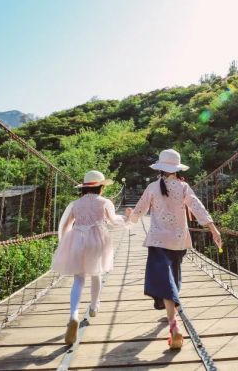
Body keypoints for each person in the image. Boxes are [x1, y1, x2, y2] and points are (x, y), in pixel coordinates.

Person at [125, 149, 222, 350]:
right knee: (173, 278)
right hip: (179, 242)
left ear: (160, 169)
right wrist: (213, 228)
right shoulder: (184, 187)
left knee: (165, 279)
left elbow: (139, 212)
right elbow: (197, 207)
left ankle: (173, 325)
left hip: (158, 241)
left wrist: (129, 218)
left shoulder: (152, 187)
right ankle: (173, 313)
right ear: (177, 170)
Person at [51, 170, 126, 345]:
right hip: (98, 241)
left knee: (78, 279)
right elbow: (114, 221)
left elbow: (65, 226)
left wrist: (64, 243)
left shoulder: (75, 204)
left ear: (84, 189)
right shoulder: (105, 202)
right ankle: (93, 307)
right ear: (101, 187)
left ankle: (73, 315)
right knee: (97, 274)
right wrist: (127, 219)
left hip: (77, 239)